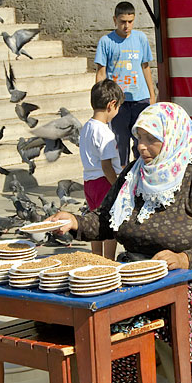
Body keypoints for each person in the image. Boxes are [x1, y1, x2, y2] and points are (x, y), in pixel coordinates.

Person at [50, 102, 192, 383]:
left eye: (151, 139)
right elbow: (104, 220)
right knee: (87, 307)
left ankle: (190, 382)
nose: (141, 147)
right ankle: (120, 377)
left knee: (176, 304)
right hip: (137, 273)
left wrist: (184, 259)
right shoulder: (133, 175)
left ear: (173, 137)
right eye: (138, 137)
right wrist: (73, 223)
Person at [95, 1, 156, 166]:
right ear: (115, 19)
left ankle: (141, 172)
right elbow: (101, 72)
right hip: (118, 102)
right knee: (120, 142)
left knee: (141, 140)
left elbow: (145, 67)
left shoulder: (141, 38)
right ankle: (123, 175)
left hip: (140, 99)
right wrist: (100, 101)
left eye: (130, 21)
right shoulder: (106, 42)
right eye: (122, 21)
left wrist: (152, 95)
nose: (126, 26)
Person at [79, 79, 124, 260]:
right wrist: (118, 186)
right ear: (111, 105)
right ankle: (109, 261)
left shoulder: (86, 128)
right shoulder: (106, 133)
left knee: (94, 222)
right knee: (110, 224)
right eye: (118, 106)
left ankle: (96, 258)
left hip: (89, 182)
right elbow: (106, 166)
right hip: (104, 183)